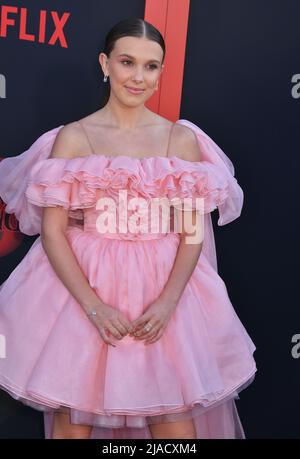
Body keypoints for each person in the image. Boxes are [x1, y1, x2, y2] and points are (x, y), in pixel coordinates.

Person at [0, 17, 256, 439]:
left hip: (162, 291)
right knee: (72, 419)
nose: (139, 77)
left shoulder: (180, 140)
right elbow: (52, 232)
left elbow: (192, 232)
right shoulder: (73, 138)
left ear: (160, 72)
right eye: (127, 62)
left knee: (175, 431)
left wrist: (168, 303)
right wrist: (94, 307)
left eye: (151, 66)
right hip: (82, 290)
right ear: (105, 64)